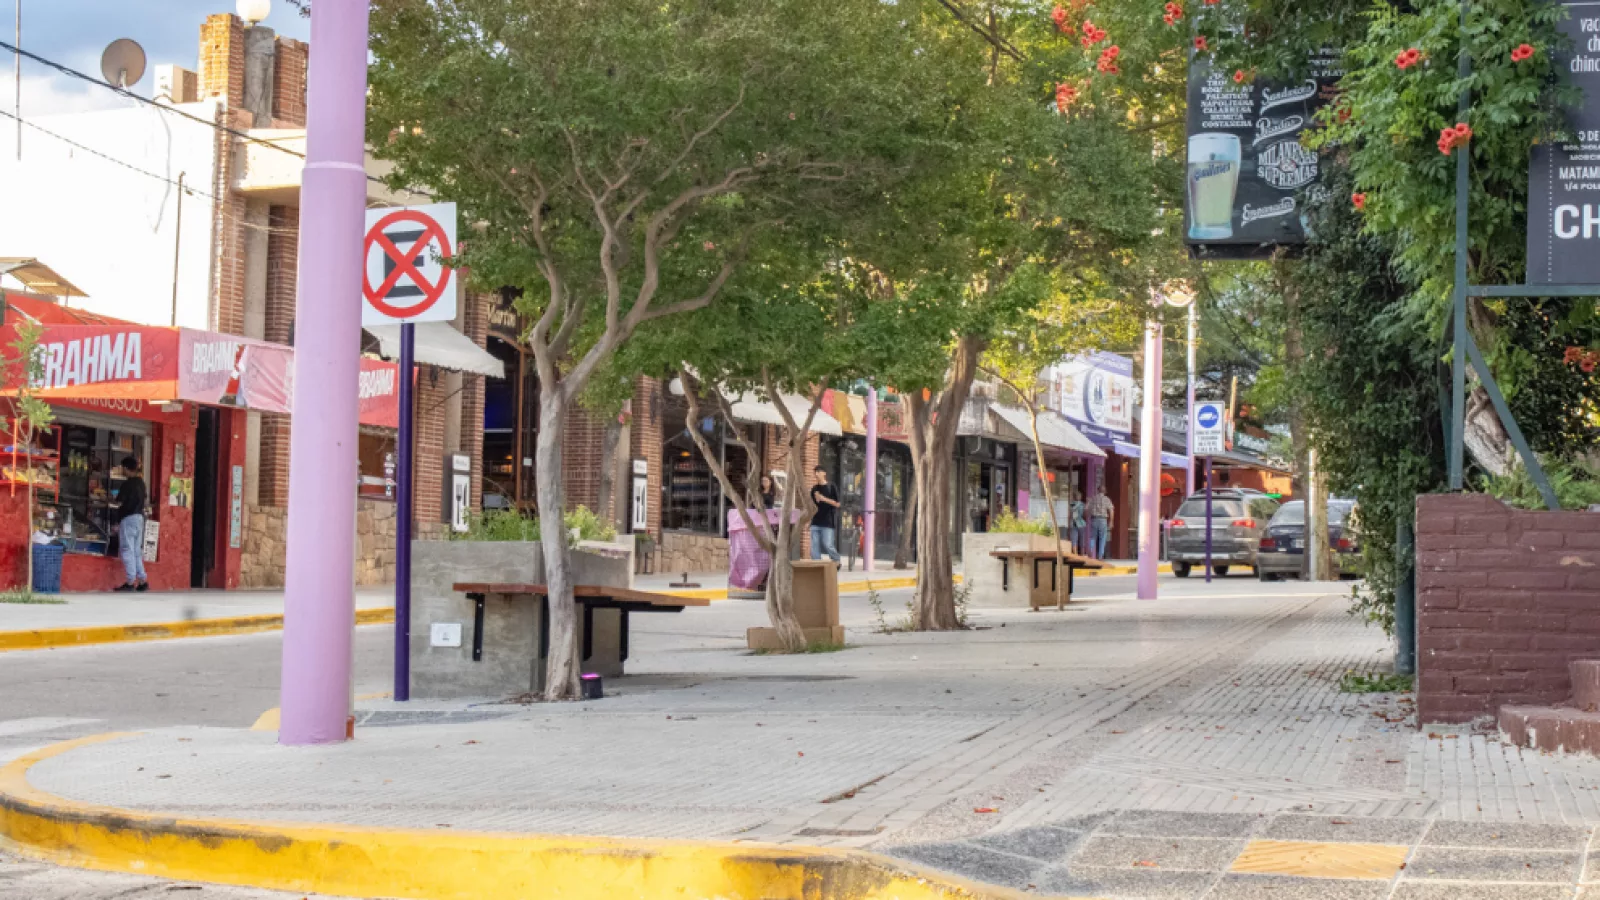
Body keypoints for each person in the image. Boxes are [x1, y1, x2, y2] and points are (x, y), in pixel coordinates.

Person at [113, 455, 149, 592]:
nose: (122, 470)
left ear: (127, 468)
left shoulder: (127, 484)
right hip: (139, 518)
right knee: (136, 551)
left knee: (127, 549)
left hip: (128, 518)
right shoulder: (141, 483)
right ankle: (142, 580)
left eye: (122, 468)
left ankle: (130, 582)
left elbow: (119, 501)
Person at [808, 466, 841, 563]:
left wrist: (823, 499)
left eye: (818, 472)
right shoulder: (814, 489)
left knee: (828, 544)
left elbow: (837, 504)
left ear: (824, 473)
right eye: (815, 472)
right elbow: (813, 506)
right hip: (815, 521)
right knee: (814, 546)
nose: (816, 474)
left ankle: (836, 560)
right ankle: (817, 565)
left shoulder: (831, 486)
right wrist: (809, 520)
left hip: (828, 521)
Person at [1087, 484, 1114, 560]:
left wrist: (1088, 518)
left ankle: (1091, 551)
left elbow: (1088, 509)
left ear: (1098, 490)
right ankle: (1100, 556)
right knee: (1102, 538)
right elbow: (1111, 510)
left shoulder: (1093, 499)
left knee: (1092, 537)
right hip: (1103, 520)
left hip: (1094, 519)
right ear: (1105, 491)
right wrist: (1111, 521)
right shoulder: (1107, 499)